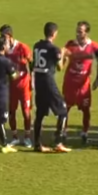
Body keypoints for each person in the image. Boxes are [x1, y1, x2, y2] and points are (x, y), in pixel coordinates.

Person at [32, 22, 71, 153]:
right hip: (48, 81)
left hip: (38, 82)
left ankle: (37, 144)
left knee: (40, 114)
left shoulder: (37, 46)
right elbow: (60, 67)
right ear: (54, 34)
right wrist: (64, 55)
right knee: (63, 110)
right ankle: (58, 142)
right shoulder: (54, 49)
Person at [62, 21, 98, 145]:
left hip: (84, 85)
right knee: (65, 109)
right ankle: (63, 131)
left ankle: (85, 132)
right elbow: (63, 60)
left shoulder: (94, 46)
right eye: (77, 31)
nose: (78, 33)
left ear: (86, 32)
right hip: (70, 83)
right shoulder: (70, 44)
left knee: (86, 110)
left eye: (81, 31)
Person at [0, 24, 33, 147]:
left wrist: (32, 80)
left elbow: (31, 63)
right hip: (11, 86)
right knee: (12, 111)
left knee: (26, 111)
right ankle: (14, 136)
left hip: (24, 85)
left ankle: (27, 136)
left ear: (9, 36)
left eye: (3, 36)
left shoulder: (23, 47)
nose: (2, 39)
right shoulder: (4, 50)